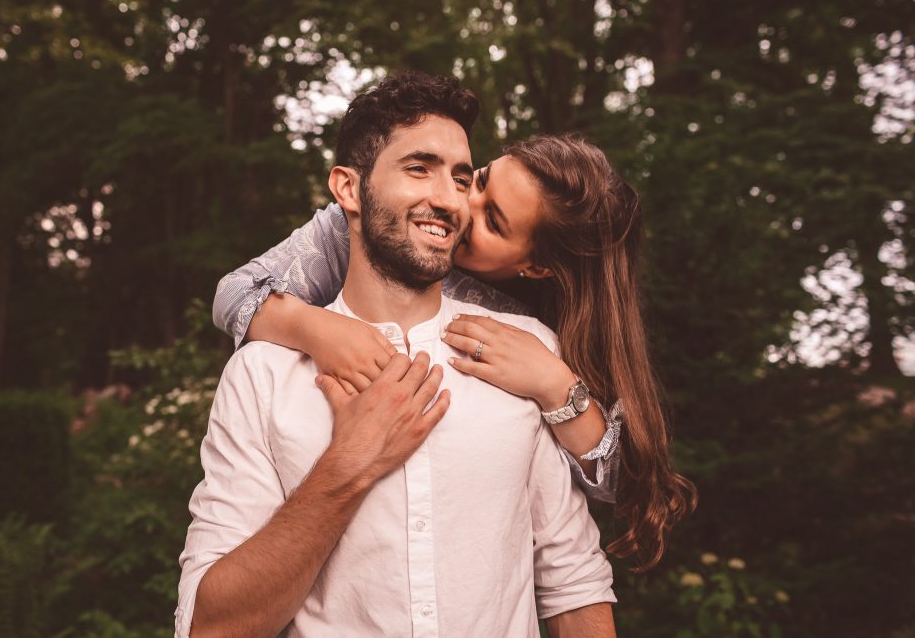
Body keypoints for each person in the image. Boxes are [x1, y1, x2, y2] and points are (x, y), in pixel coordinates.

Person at [177, 72, 616, 637]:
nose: (454, 199)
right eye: (419, 168)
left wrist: (559, 388)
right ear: (348, 190)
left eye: (461, 177)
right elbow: (210, 630)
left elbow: (572, 578)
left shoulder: (526, 351)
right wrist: (349, 461)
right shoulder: (263, 372)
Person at [214, 112, 696, 575]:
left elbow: (620, 480)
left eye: (494, 223)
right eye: (481, 181)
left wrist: (554, 385)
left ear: (536, 267)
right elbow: (234, 293)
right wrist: (316, 328)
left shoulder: (542, 325)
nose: (463, 207)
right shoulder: (357, 228)